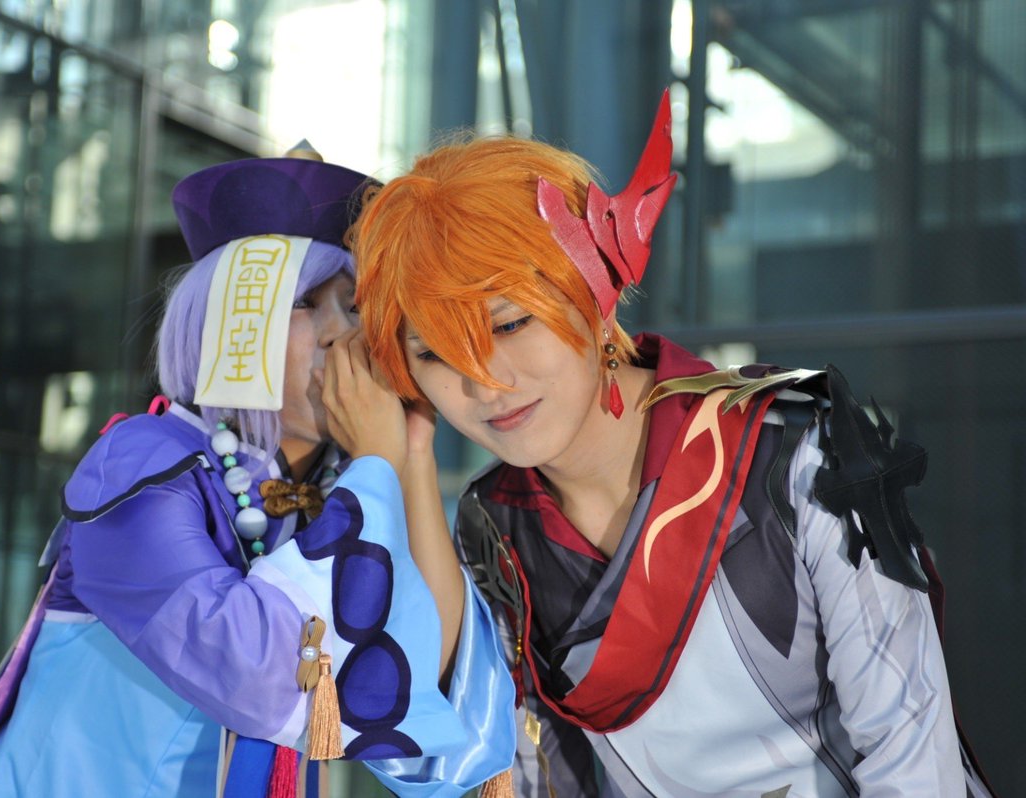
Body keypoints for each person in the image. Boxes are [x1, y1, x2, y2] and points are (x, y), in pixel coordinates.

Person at [338, 93, 996, 796]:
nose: (485, 382)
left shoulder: (794, 447)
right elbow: (492, 759)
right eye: (434, 354)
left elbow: (909, 743)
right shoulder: (496, 523)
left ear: (592, 294)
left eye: (509, 324)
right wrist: (405, 457)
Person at [0, 147, 512, 798]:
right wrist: (374, 466)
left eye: (354, 307)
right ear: (226, 324)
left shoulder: (337, 495)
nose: (342, 336)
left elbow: (435, 688)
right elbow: (259, 672)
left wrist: (412, 455)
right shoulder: (140, 463)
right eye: (306, 303)